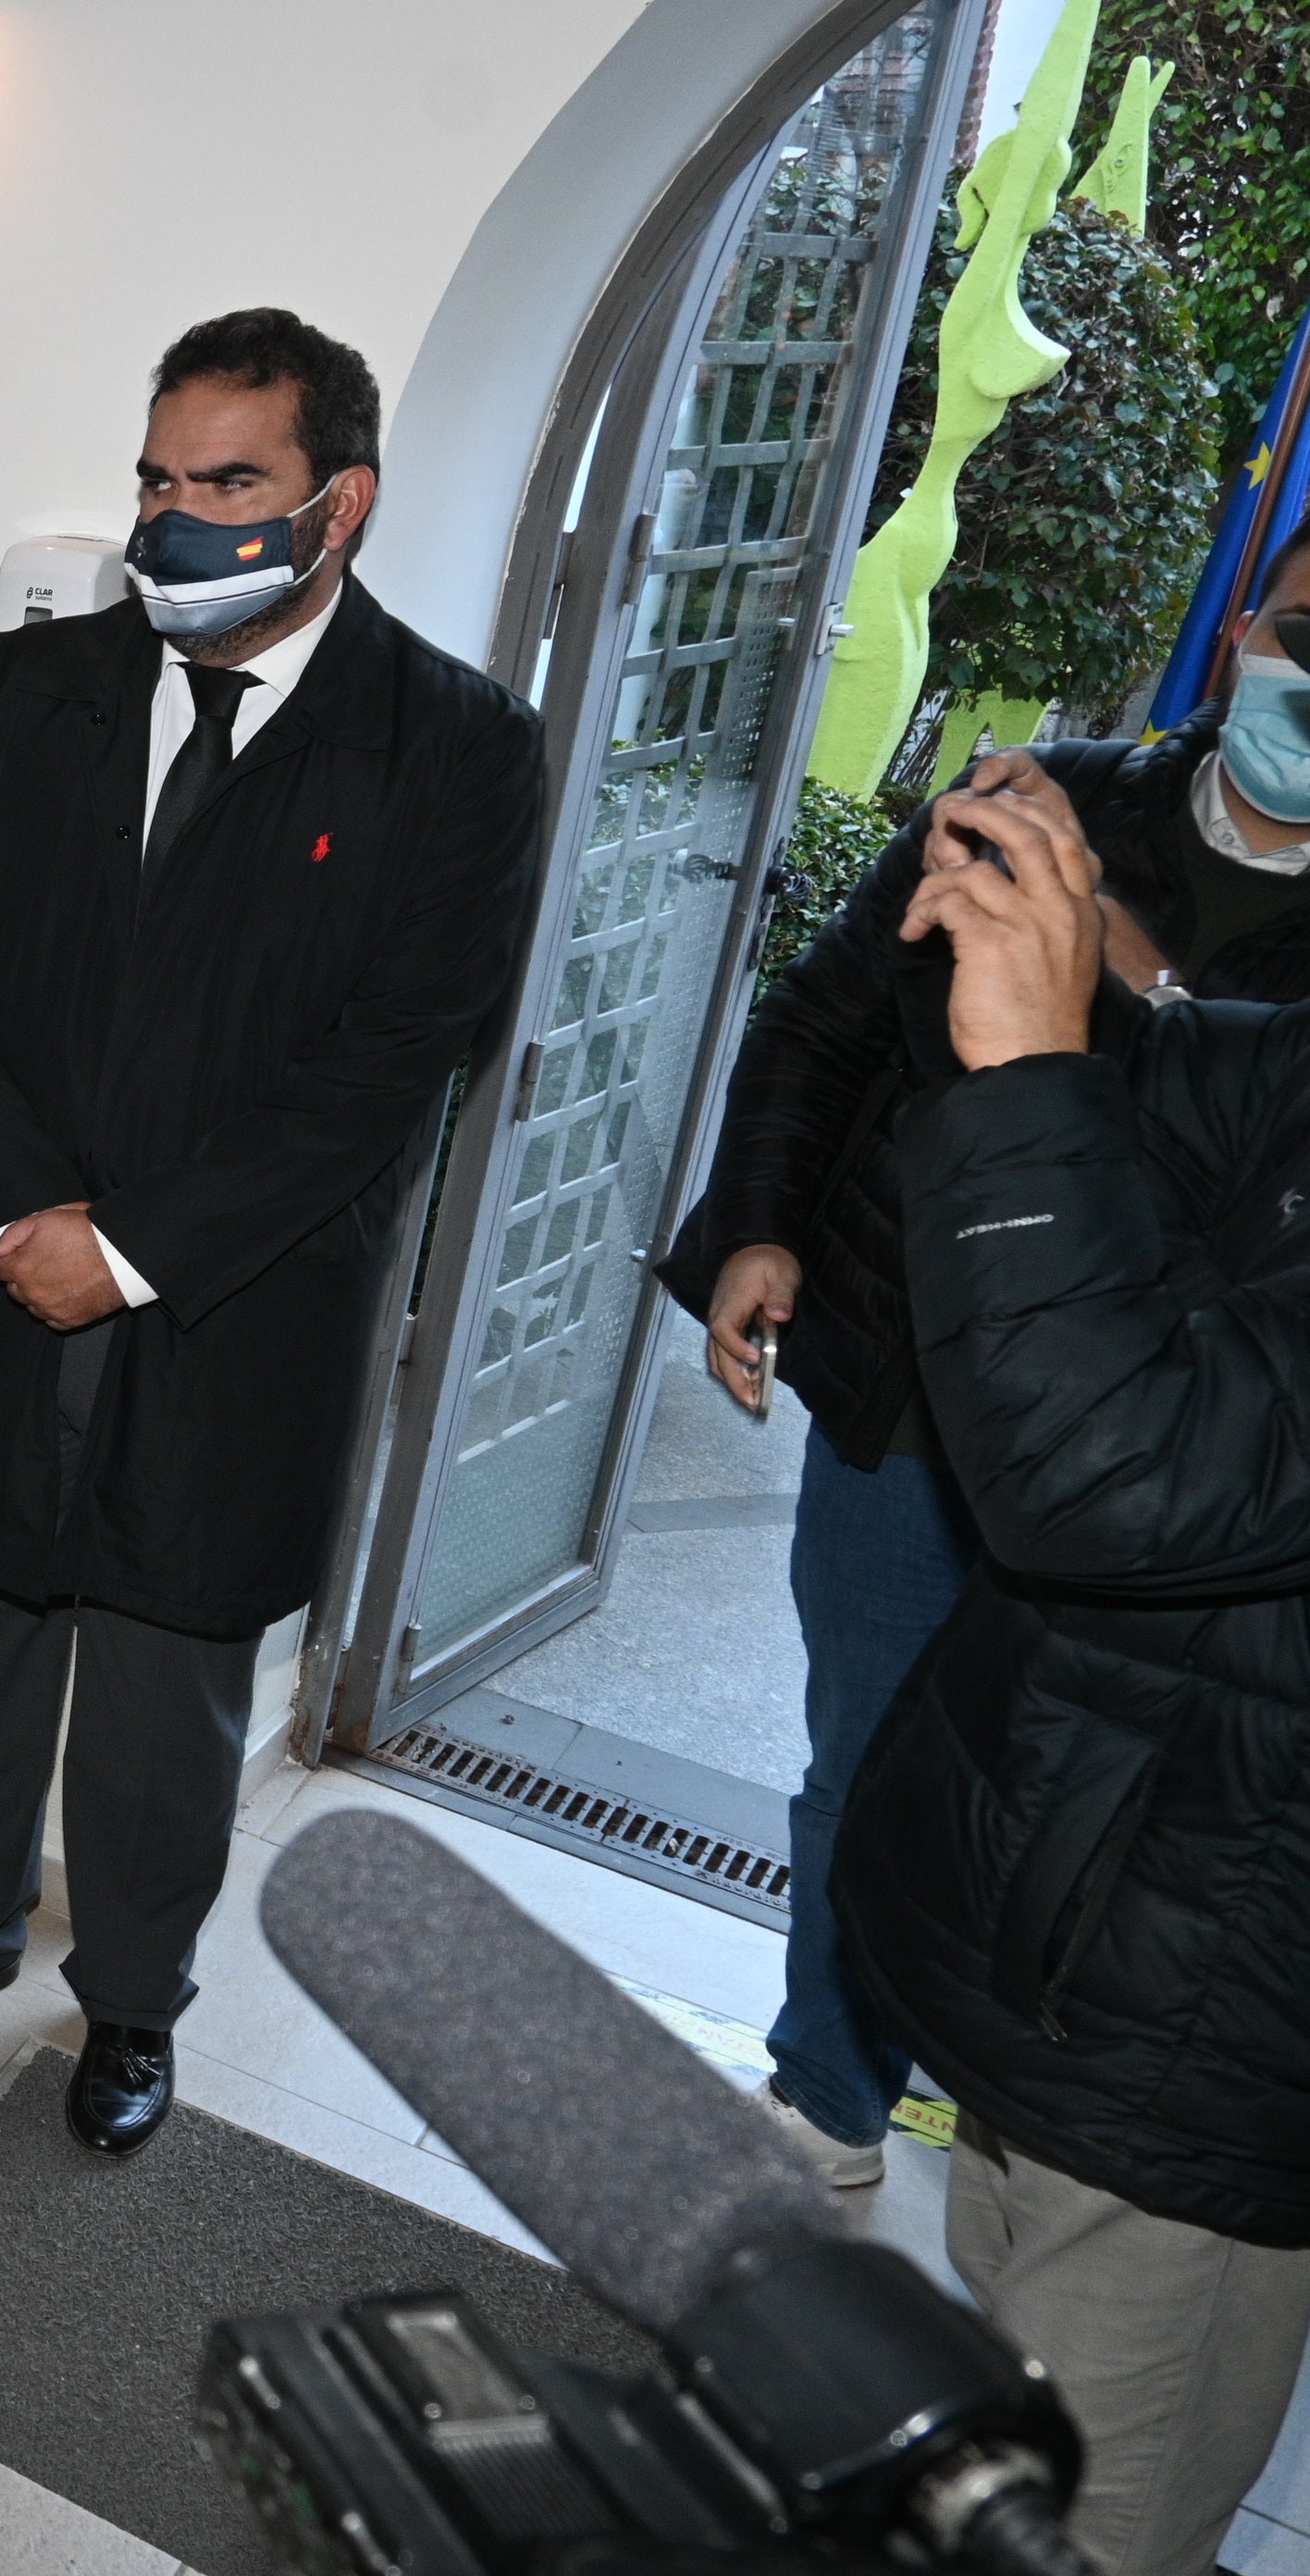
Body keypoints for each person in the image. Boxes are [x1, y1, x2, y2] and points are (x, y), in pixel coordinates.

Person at [0, 309, 544, 2154]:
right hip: (1, 1278)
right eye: (159, 479)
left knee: (166, 1702)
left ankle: (133, 2006)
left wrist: (135, 1246)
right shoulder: (32, 694)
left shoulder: (456, 751)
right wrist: (22, 1211)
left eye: (229, 483)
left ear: (341, 508)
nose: (179, 518)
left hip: (229, 1309)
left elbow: (396, 1060)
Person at [659, 523, 1310, 2189]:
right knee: (860, 1761)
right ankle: (830, 2093)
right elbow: (821, 1029)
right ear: (1239, 634)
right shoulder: (1038, 806)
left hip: (1172, 1499)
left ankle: (1030, 2130)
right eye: (1308, 637)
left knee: (1092, 1830)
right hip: (916, 1413)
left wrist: (1113, 976)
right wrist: (761, 1227)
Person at [835, 742, 1310, 2576]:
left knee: (1084, 2532)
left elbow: (1105, 1480)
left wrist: (1040, 1068)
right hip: (1084, 1948)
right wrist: (1070, 972)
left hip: (1208, 2042)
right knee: (988, 2458)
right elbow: (1209, 1100)